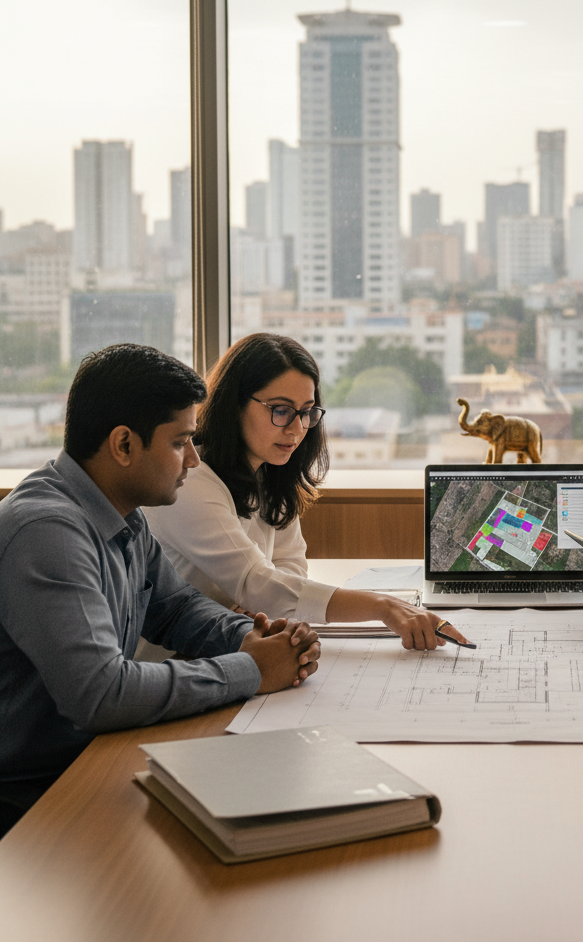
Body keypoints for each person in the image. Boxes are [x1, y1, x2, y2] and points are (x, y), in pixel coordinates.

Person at [0, 344, 321, 837]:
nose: (194, 460)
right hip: (33, 797)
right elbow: (102, 694)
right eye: (181, 443)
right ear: (124, 445)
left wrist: (250, 636)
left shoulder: (123, 512)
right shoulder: (49, 531)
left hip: (94, 762)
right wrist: (252, 668)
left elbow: (176, 610)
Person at [144, 332, 465, 651]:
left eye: (306, 411)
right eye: (281, 410)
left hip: (231, 644)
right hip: (172, 666)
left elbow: (290, 563)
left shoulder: (270, 472)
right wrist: (384, 606)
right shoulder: (189, 478)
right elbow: (255, 581)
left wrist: (263, 608)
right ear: (234, 405)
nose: (297, 428)